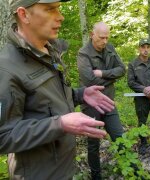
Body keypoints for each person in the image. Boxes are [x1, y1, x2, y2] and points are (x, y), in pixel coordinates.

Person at [0, 1, 116, 179]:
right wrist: (59, 125)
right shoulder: (6, 68)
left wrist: (79, 94)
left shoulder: (50, 51)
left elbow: (46, 100)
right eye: (49, 9)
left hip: (64, 168)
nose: (60, 16)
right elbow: (4, 136)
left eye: (59, 8)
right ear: (24, 15)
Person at [77, 22, 126, 179]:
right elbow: (90, 81)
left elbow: (122, 69)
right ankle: (96, 176)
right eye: (101, 37)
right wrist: (111, 79)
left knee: (120, 138)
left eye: (107, 37)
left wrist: (103, 74)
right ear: (92, 35)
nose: (104, 41)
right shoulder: (83, 54)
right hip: (91, 106)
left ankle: (134, 171)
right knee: (93, 144)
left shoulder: (110, 48)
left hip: (108, 103)